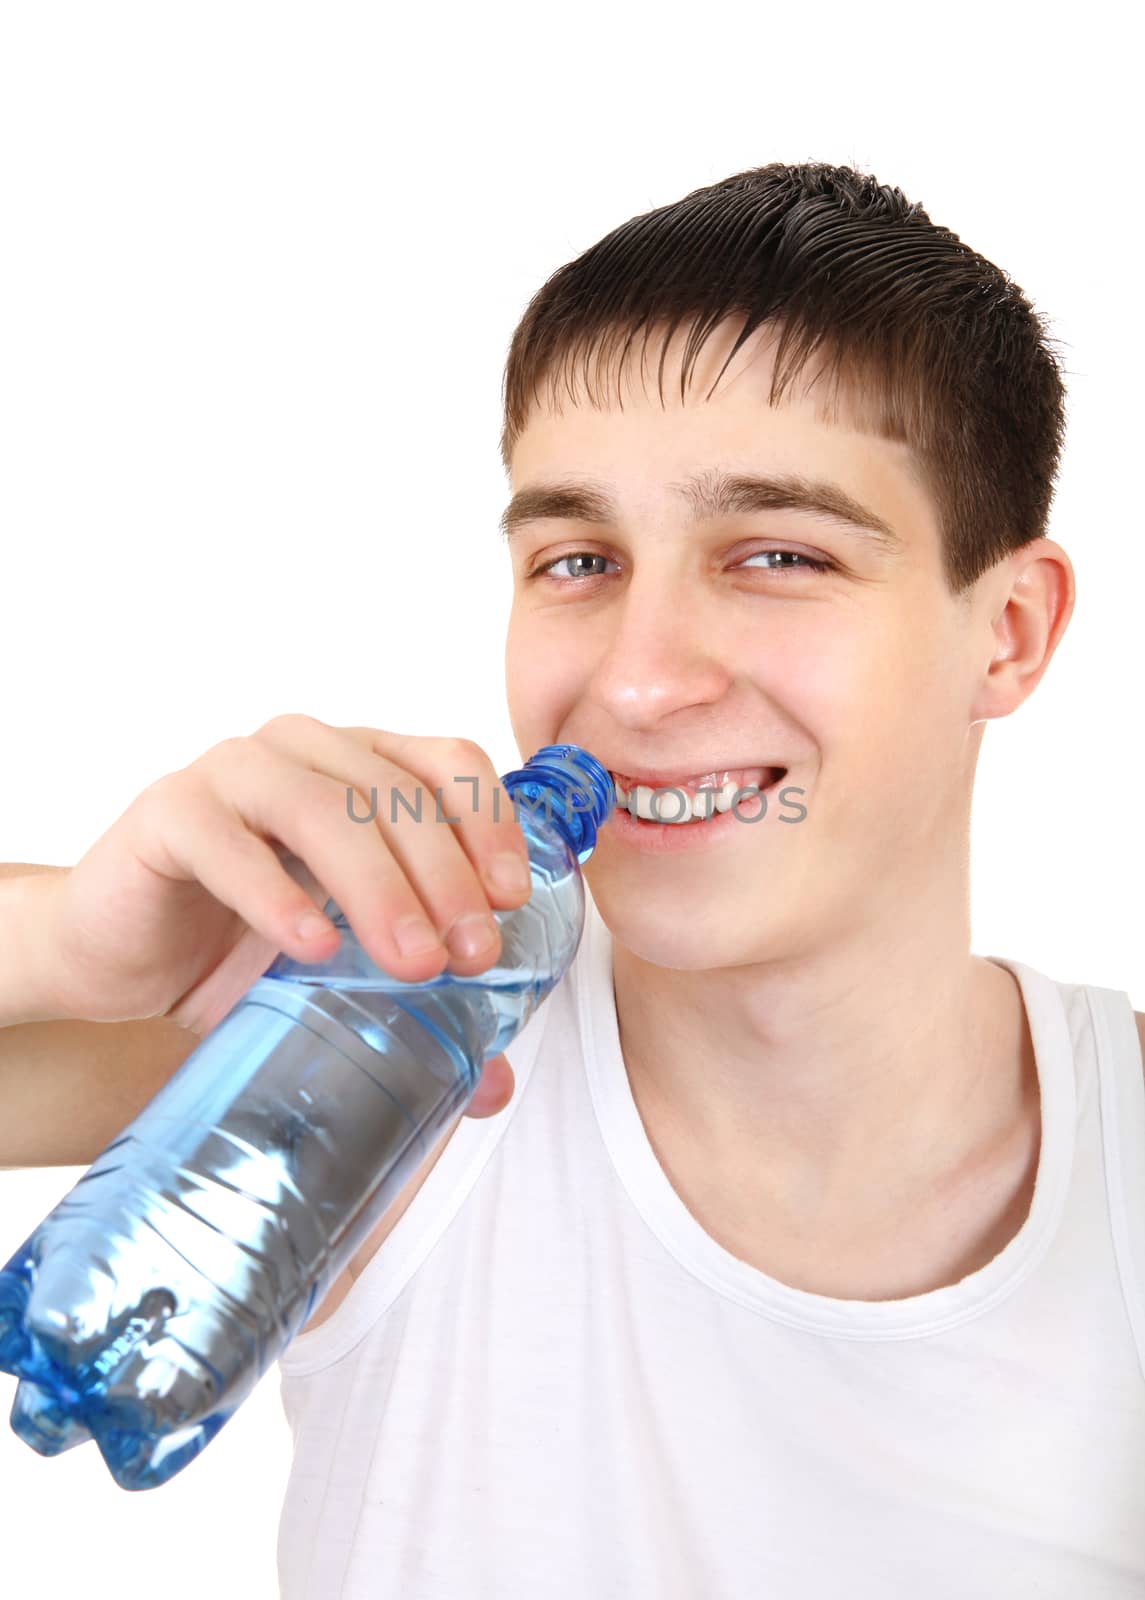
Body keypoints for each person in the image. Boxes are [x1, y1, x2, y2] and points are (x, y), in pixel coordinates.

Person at [2, 160, 1143, 1597]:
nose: (639, 677)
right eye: (577, 558)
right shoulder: (384, 1064)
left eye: (778, 552)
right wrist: (62, 946)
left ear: (1010, 631)